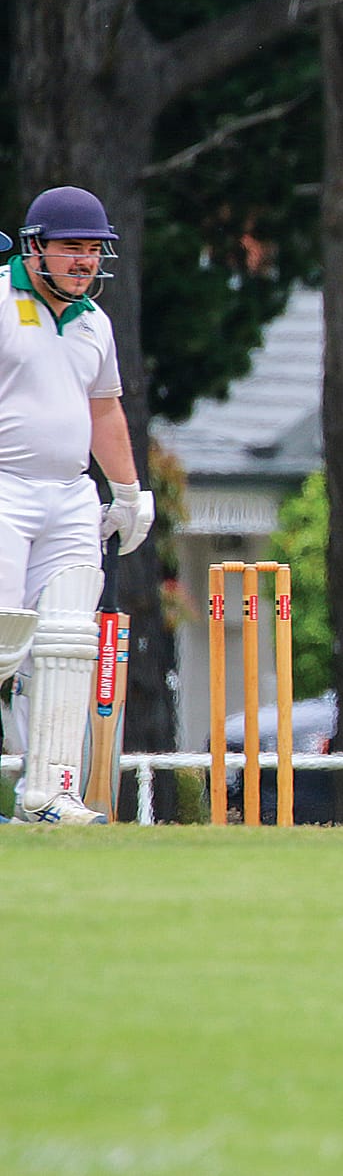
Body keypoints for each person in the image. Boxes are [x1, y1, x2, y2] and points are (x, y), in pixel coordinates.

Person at [0, 186, 155, 825]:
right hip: (4, 488)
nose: (85, 260)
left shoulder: (94, 321)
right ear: (34, 248)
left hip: (70, 494)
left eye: (94, 249)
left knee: (67, 643)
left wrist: (128, 491)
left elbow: (104, 410)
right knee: (3, 636)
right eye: (71, 247)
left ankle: (48, 794)